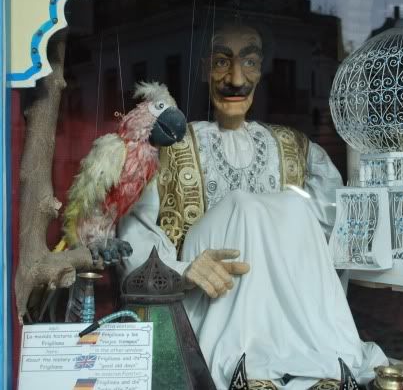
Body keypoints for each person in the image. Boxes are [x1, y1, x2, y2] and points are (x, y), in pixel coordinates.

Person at [117, 23, 387, 389]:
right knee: (244, 206)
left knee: (295, 207)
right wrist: (183, 271)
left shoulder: (297, 149)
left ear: (262, 70)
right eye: (221, 62)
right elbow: (135, 242)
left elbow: (336, 239)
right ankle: (246, 363)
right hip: (207, 309)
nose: (235, 79)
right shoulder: (170, 148)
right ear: (203, 69)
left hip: (291, 320)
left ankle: (311, 358)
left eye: (250, 62)